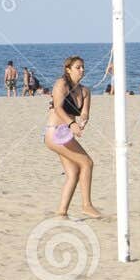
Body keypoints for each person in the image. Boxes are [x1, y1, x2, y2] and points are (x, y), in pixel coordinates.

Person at [45, 56, 102, 219]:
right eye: (78, 67)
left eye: (83, 67)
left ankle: (62, 211)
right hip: (54, 132)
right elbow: (57, 108)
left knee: (73, 171)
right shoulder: (61, 84)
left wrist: (82, 121)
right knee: (87, 162)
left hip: (66, 135)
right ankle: (87, 205)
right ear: (68, 69)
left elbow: (84, 113)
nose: (82, 70)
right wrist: (71, 124)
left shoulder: (85, 91)